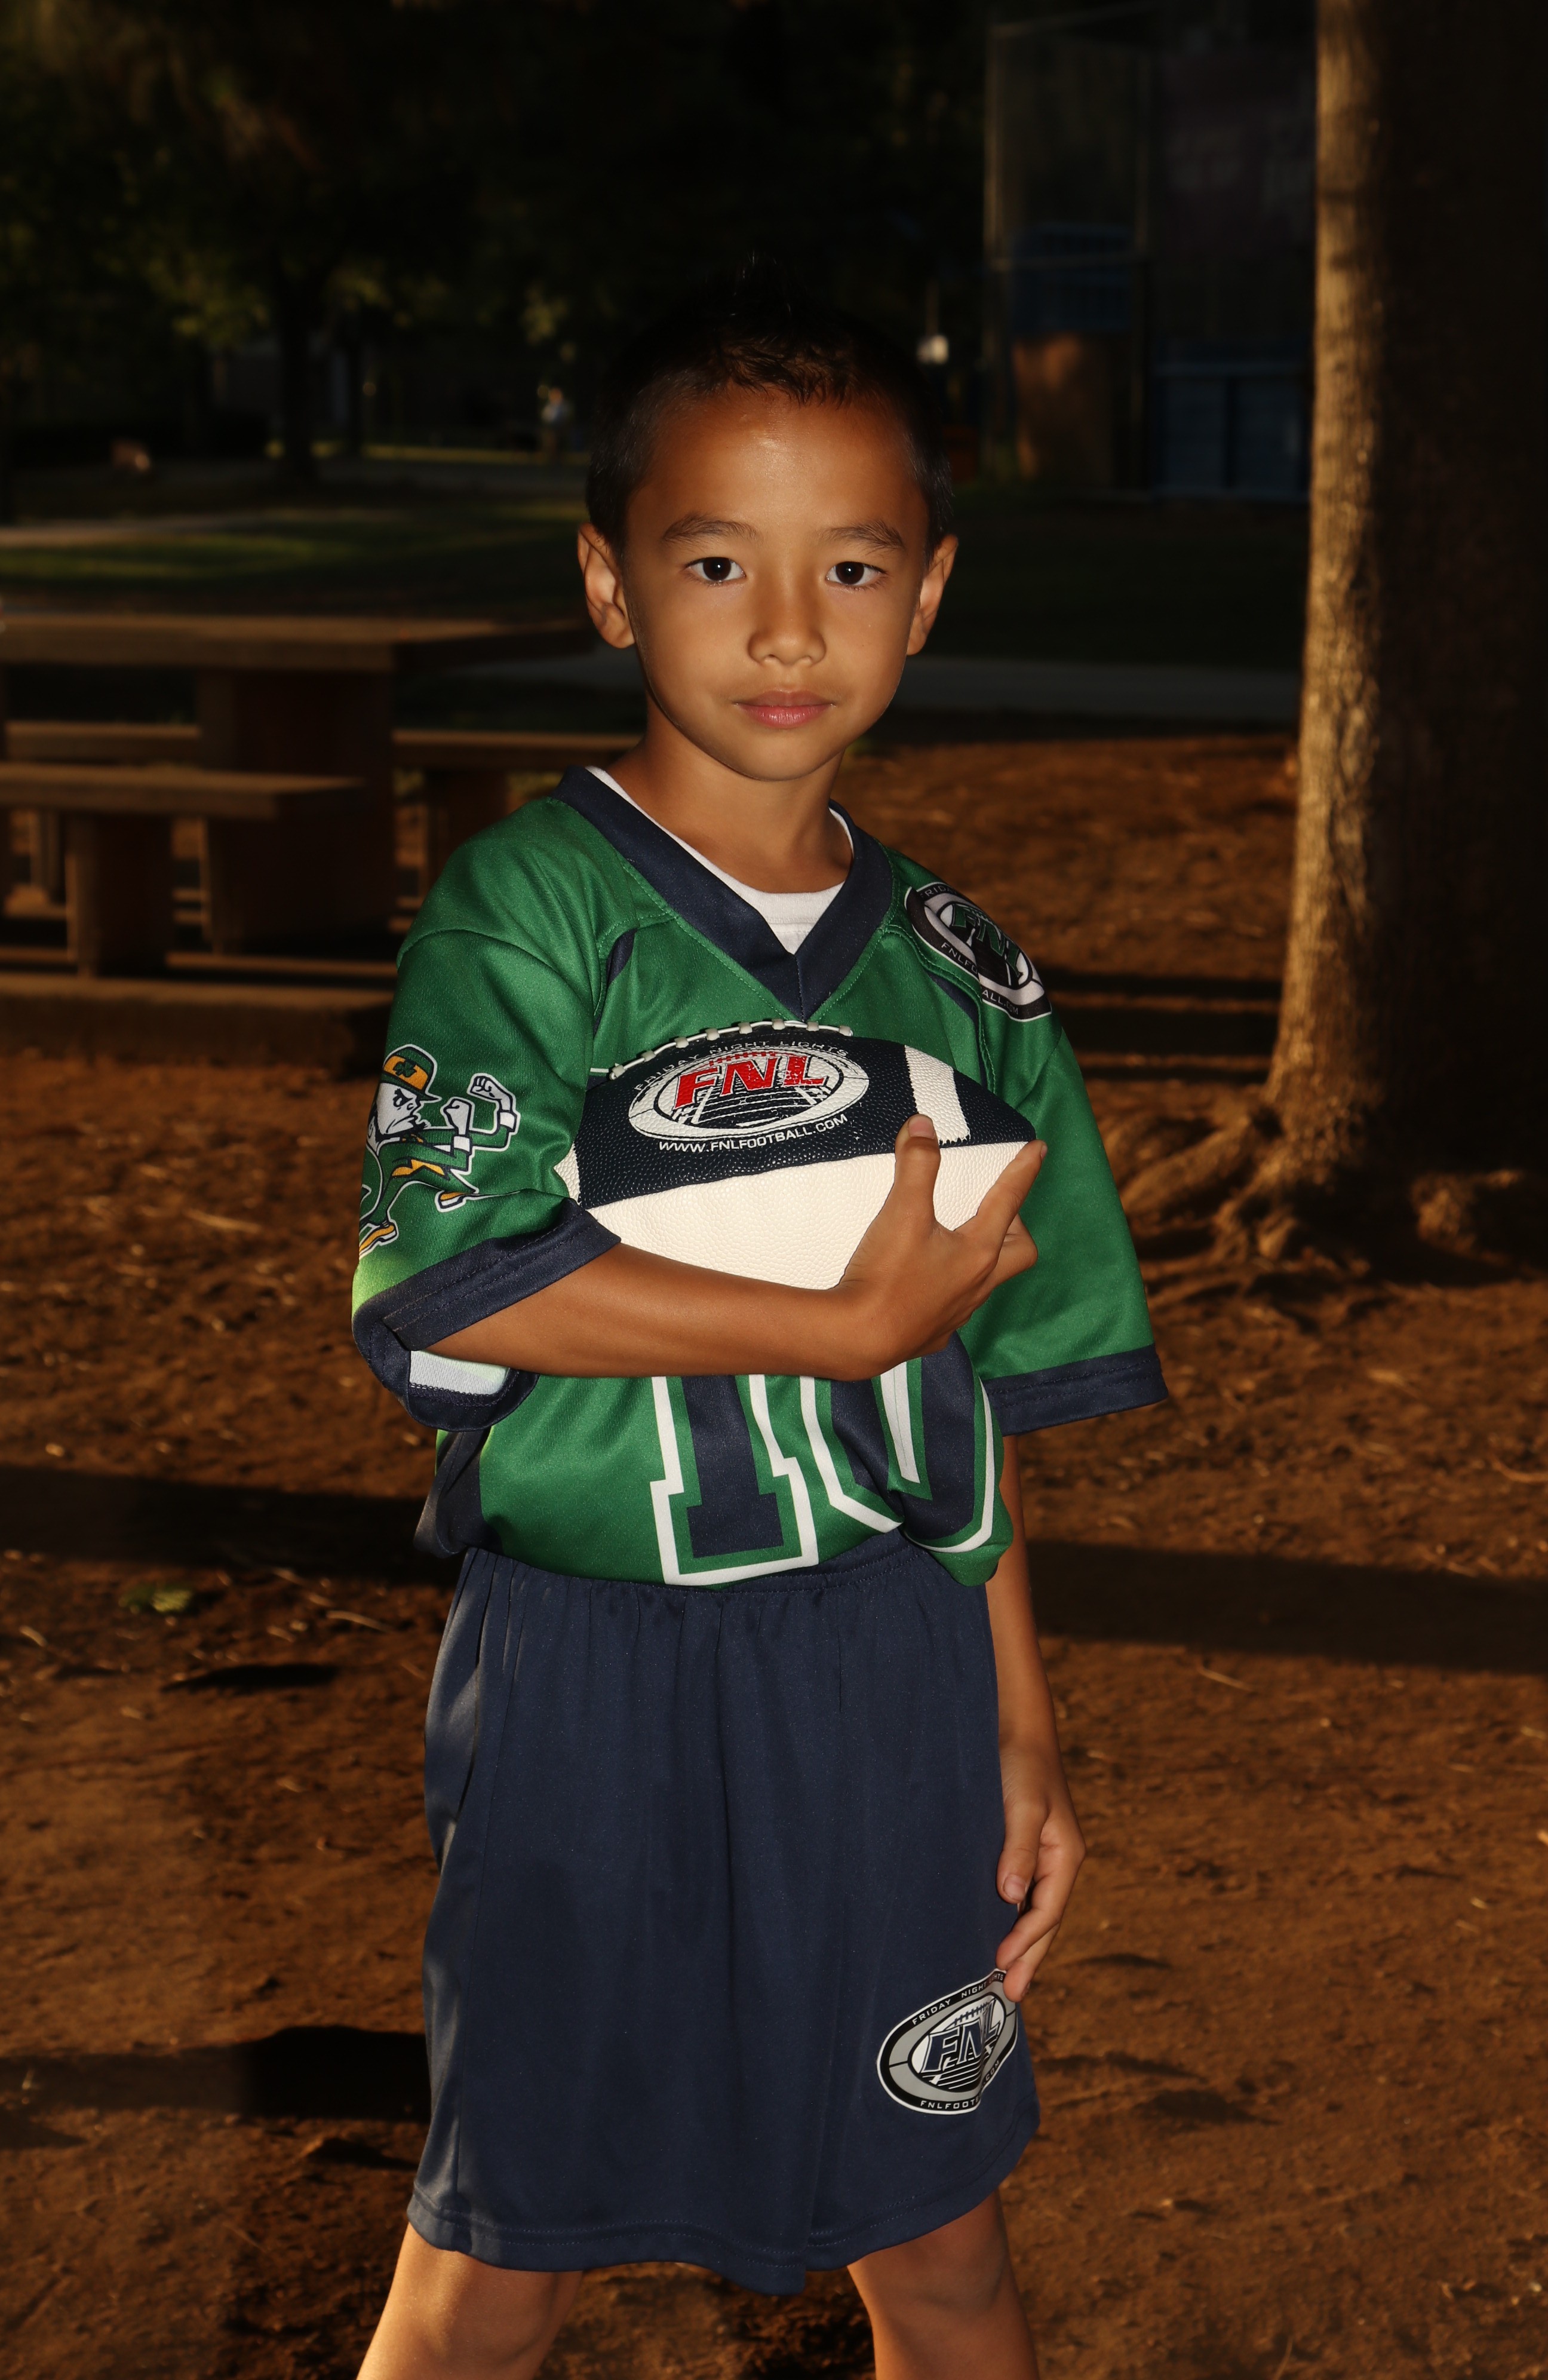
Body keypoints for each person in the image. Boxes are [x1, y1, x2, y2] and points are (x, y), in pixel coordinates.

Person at [352, 264, 1163, 2380]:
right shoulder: (526, 911)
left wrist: (1019, 1714)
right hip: (587, 1671)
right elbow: (452, 1273)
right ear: (610, 583)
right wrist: (824, 1326)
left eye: (852, 567)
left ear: (931, 594)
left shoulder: (969, 976)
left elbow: (973, 1395)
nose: (789, 628)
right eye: (719, 561)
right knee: (494, 2266)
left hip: (886, 1669)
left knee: (949, 2251)